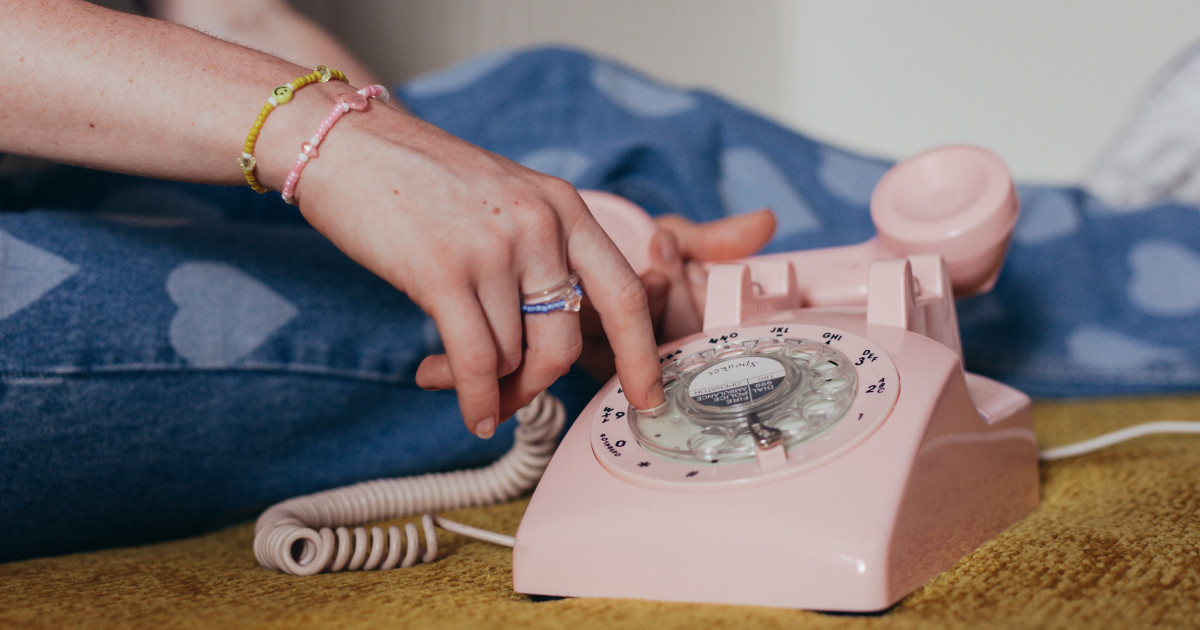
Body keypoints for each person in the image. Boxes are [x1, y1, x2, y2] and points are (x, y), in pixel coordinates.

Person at [0, 0, 775, 561]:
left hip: (91, 123)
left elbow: (233, 14)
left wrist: (452, 193)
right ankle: (675, 357)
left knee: (563, 96)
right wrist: (325, 140)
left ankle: (834, 302)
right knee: (242, 302)